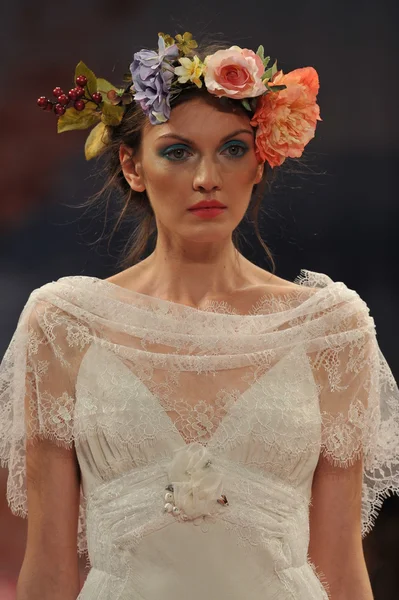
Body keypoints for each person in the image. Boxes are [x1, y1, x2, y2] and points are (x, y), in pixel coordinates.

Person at [1, 31, 398, 600]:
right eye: (178, 151)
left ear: (260, 162)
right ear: (132, 166)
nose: (207, 176)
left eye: (233, 149)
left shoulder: (330, 329)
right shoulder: (65, 322)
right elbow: (50, 568)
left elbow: (340, 561)